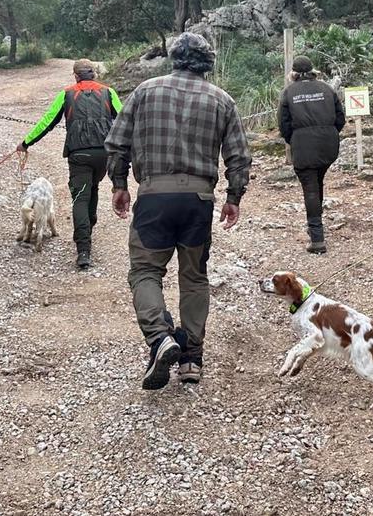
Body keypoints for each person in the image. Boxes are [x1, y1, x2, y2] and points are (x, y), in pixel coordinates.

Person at [106, 32, 252, 390]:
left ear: (174, 57)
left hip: (154, 196)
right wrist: (234, 196)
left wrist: (120, 184)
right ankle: (191, 360)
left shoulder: (144, 91)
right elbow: (238, 156)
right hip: (198, 202)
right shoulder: (222, 100)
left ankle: (160, 339)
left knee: (144, 272)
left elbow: (117, 143)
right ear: (207, 62)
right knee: (194, 277)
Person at [18, 59, 121, 271]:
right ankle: (88, 227)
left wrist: (26, 142)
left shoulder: (66, 94)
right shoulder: (108, 92)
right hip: (104, 154)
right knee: (92, 189)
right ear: (94, 74)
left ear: (75, 76)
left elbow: (47, 122)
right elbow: (124, 118)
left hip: (79, 154)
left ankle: (84, 250)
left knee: (80, 198)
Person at [279, 54, 346, 254]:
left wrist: (294, 139)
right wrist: (329, 134)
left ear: (294, 74)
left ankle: (317, 238)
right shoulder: (327, 89)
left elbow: (284, 125)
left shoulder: (289, 92)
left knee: (310, 188)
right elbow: (340, 118)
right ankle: (315, 226)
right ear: (312, 71)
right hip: (328, 145)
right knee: (317, 183)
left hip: (303, 145)